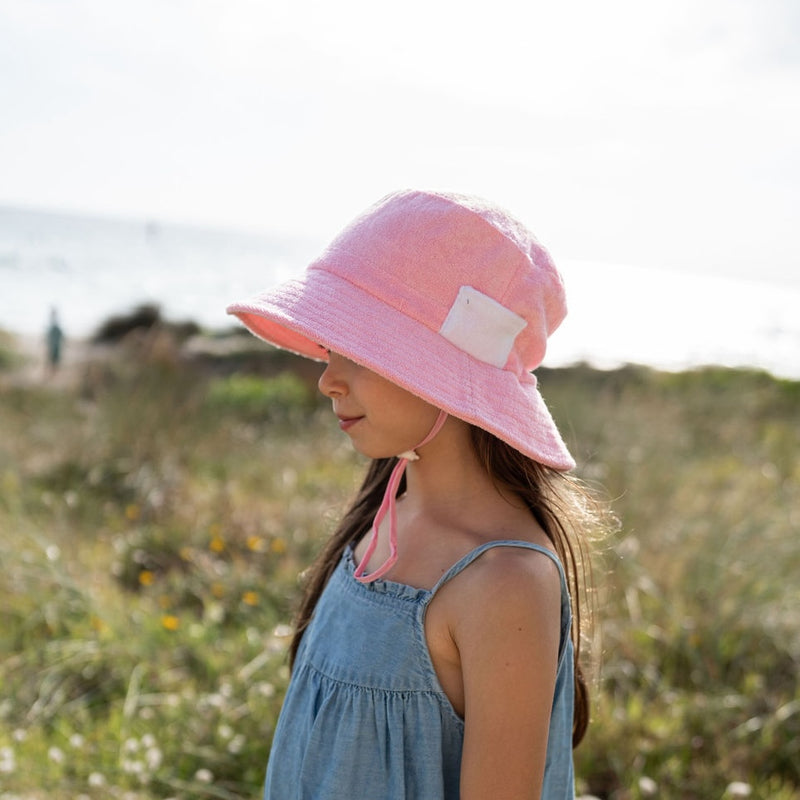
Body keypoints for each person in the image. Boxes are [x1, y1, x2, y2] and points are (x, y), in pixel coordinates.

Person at [227, 189, 607, 799]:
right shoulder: (382, 519)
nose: (328, 379)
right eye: (331, 346)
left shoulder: (502, 581)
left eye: (363, 348)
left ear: (445, 371)